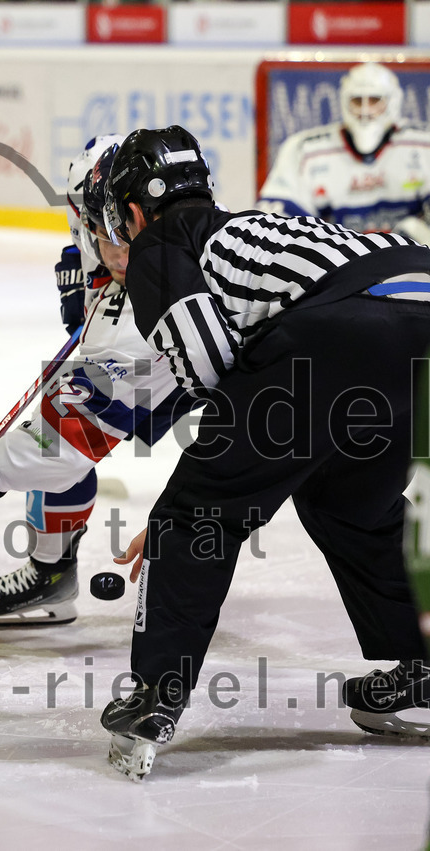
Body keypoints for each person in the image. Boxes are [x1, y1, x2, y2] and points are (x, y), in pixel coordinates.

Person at [90, 125, 430, 779]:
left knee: (196, 518)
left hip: (345, 331)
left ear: (132, 212)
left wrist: (181, 506)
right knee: (350, 504)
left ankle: (153, 697)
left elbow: (211, 362)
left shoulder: (163, 240)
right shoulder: (255, 231)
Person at [0, 135, 194, 627]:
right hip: (181, 350)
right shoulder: (97, 245)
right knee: (63, 410)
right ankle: (53, 572)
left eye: (121, 228)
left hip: (250, 369)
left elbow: (66, 442)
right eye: (98, 228)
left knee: (67, 431)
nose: (115, 245)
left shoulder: (152, 295)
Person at [258, 61, 430, 244]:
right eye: (357, 100)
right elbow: (274, 226)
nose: (365, 111)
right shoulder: (303, 150)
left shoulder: (424, 145)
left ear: (393, 102)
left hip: (411, 264)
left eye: (375, 100)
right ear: (344, 101)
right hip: (335, 264)